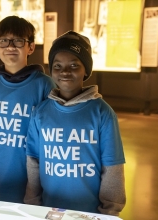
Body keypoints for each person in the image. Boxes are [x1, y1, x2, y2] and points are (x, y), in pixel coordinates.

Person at [24, 30, 126, 216]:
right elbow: (33, 160)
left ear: (85, 69)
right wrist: (32, 203)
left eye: (74, 65)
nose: (65, 71)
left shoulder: (102, 112)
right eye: (57, 65)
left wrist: (109, 212)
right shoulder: (41, 112)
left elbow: (112, 168)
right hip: (49, 210)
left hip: (87, 213)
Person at [0, 15, 55, 203]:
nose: (10, 47)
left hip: (26, 186)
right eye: (4, 41)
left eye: (19, 40)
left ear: (31, 47)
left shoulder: (45, 85)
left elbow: (50, 140)